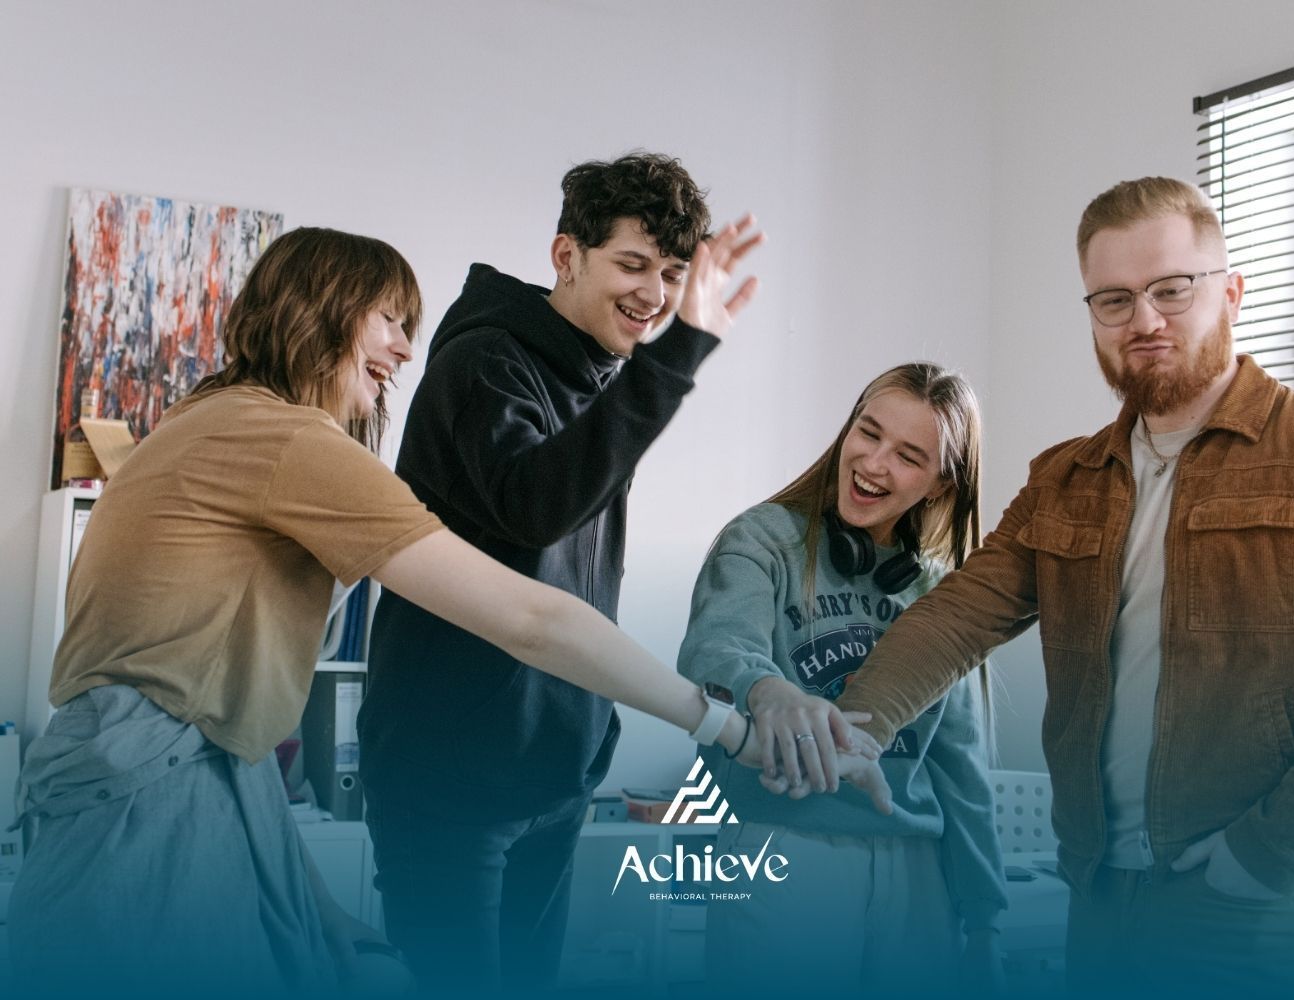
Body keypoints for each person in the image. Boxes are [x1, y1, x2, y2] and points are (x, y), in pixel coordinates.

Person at [7, 226, 875, 997]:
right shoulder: (285, 440)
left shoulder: (211, 419)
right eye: (387, 318)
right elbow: (533, 621)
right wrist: (723, 726)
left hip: (186, 767)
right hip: (159, 777)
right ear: (318, 307)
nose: (402, 347)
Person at [833, 177, 1294, 997]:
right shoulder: (1065, 477)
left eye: (1172, 289)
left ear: (1231, 293)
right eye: (1115, 299)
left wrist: (1268, 851)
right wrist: (855, 729)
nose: (1145, 320)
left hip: (1254, 904)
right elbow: (957, 616)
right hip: (1097, 891)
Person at [356, 152, 793, 993]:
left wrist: (589, 742)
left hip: (555, 777)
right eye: (633, 264)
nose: (656, 295)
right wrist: (682, 352)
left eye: (672, 275)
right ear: (567, 255)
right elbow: (537, 508)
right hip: (449, 782)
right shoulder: (485, 363)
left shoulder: (601, 376)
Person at [678, 363, 1007, 994]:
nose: (874, 463)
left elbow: (961, 769)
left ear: (940, 484)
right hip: (784, 847)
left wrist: (986, 919)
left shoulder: (939, 591)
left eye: (908, 456)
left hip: (918, 868)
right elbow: (717, 646)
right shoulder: (763, 540)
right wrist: (768, 691)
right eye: (868, 432)